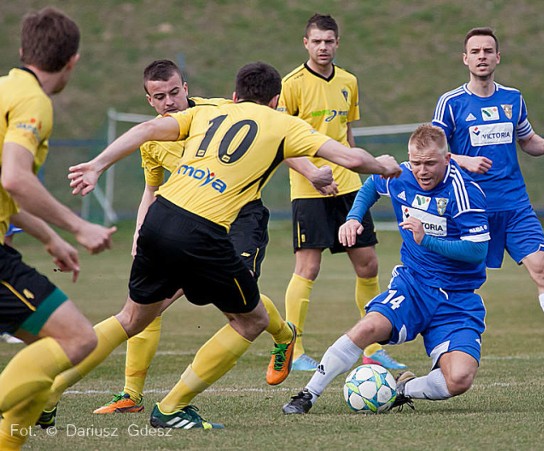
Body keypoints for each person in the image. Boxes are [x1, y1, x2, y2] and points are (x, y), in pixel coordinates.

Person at [46, 61, 401, 430]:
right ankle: (171, 407)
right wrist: (384, 165)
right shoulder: (284, 123)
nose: (168, 101)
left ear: (234, 96)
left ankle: (50, 391)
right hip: (203, 231)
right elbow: (352, 157)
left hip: (162, 217)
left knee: (130, 318)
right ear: (276, 100)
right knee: (251, 321)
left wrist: (97, 165)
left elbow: (148, 128)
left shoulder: (209, 114)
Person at [90, 59, 335, 415]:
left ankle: (283, 335)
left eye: (175, 92)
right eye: (160, 96)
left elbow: (275, 138)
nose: (169, 101)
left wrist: (312, 171)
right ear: (149, 100)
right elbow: (151, 190)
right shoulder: (153, 139)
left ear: (186, 87)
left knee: (240, 303)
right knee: (150, 305)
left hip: (240, 219)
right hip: (185, 226)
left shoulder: (218, 110)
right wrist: (142, 234)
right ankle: (131, 394)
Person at [431, 27, 544, 372]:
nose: (482, 56)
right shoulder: (451, 102)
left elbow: (526, 140)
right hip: (470, 209)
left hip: (515, 206)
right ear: (465, 59)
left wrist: (543, 146)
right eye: (475, 51)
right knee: (451, 283)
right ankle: (442, 355)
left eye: (488, 50)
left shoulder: (513, 98)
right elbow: (432, 151)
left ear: (498, 57)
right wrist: (464, 160)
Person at [283, 123, 490, 414]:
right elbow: (371, 186)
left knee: (458, 379)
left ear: (447, 159)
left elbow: (477, 250)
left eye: (430, 163)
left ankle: (401, 389)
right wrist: (354, 217)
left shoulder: (465, 193)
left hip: (457, 298)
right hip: (414, 285)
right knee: (368, 326)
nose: (422, 170)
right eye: (416, 163)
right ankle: (308, 394)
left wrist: (426, 239)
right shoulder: (401, 175)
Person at [0, 7, 116, 449]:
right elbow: (14, 177)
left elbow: (2, 190)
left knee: (43, 353)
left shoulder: (4, 88)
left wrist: (50, 238)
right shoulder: (32, 100)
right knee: (78, 339)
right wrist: (77, 226)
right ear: (73, 61)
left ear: (22, 49)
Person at [278, 13, 406, 371]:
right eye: (316, 41)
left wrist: (361, 172)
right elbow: (283, 144)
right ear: (306, 43)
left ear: (337, 43)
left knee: (368, 264)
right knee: (308, 266)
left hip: (348, 187)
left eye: (329, 41)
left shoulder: (349, 81)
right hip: (309, 187)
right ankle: (295, 349)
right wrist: (313, 173)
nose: (323, 47)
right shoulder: (291, 84)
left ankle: (373, 346)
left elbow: (347, 136)